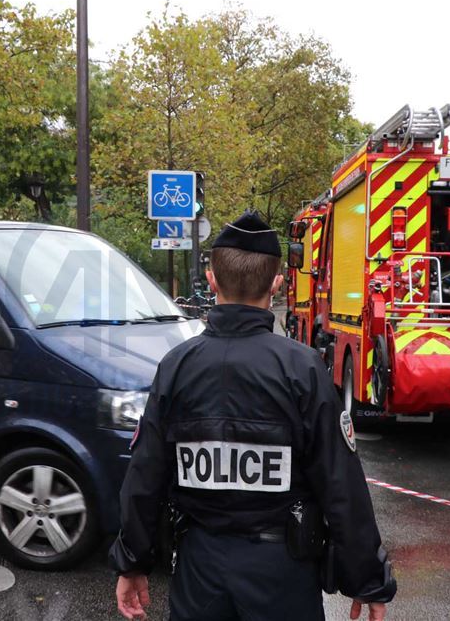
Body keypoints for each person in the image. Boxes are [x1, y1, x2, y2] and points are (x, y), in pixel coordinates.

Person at [108, 210, 396, 621]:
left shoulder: (176, 366)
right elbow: (340, 482)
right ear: (277, 284)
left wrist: (132, 563)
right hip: (283, 574)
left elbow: (145, 475)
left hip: (198, 570)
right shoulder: (303, 369)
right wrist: (366, 578)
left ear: (211, 279)